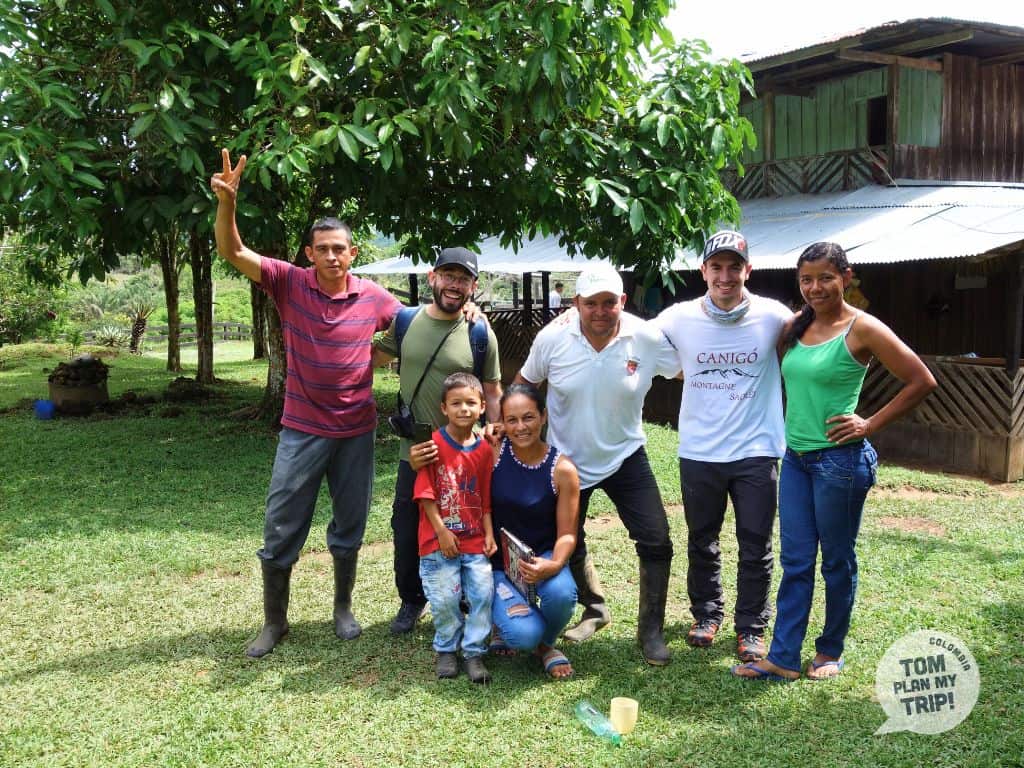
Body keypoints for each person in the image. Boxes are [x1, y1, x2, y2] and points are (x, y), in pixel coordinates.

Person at [211, 149, 402, 657]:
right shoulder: (289, 282)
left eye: (340, 248)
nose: (332, 256)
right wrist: (227, 204)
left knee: (350, 523)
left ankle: (342, 608)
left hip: (356, 430)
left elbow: (413, 327)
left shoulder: (374, 297)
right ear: (309, 254)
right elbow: (234, 251)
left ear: (353, 252)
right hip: (302, 429)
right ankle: (275, 623)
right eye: (323, 249)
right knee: (281, 523)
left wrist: (379, 356)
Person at [733, 242, 936, 681]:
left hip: (840, 463)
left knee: (836, 562)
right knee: (796, 561)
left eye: (825, 277)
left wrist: (869, 423)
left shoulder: (864, 329)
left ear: (846, 276)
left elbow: (921, 380)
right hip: (796, 461)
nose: (815, 288)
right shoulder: (794, 327)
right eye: (806, 279)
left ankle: (829, 651)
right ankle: (784, 658)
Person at [515, 263, 680, 665]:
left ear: (622, 301)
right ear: (577, 303)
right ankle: (595, 607)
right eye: (591, 303)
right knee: (567, 539)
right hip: (566, 460)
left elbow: (687, 372)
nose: (601, 311)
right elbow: (523, 383)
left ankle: (651, 631)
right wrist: (513, 429)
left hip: (626, 454)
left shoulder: (646, 337)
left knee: (656, 539)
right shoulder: (553, 338)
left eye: (609, 302)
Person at [651, 230, 792, 662]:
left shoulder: (774, 316)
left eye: (734, 267)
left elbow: (818, 335)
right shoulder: (678, 318)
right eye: (717, 267)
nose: (725, 276)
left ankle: (751, 627)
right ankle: (707, 615)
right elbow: (629, 333)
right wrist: (568, 318)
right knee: (702, 539)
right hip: (699, 451)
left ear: (749, 270)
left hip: (757, 450)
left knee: (756, 543)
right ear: (703, 271)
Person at [373, 247, 503, 635]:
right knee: (405, 525)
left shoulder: (480, 332)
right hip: (414, 449)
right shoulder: (405, 321)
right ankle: (412, 599)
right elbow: (370, 358)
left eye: (463, 279)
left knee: (464, 523)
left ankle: (463, 598)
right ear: (433, 278)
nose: (454, 285)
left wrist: (495, 434)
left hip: (463, 453)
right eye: (448, 276)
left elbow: (492, 391)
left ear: (473, 286)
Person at [488, 383, 580, 679]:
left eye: (528, 417)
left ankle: (546, 644)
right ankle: (504, 623)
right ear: (502, 423)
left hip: (541, 556)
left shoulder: (562, 469)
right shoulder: (492, 452)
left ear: (543, 416)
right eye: (511, 420)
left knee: (562, 594)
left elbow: (567, 534)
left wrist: (554, 564)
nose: (520, 427)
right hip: (497, 566)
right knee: (523, 635)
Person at [414, 372, 497, 683]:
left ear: (482, 407)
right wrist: (441, 531)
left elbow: (485, 498)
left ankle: (474, 652)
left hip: (474, 540)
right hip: (438, 540)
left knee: (482, 594)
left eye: (471, 403)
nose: (464, 409)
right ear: (443, 408)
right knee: (445, 598)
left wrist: (489, 533)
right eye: (456, 403)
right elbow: (425, 493)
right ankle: (447, 649)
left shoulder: (484, 450)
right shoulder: (432, 445)